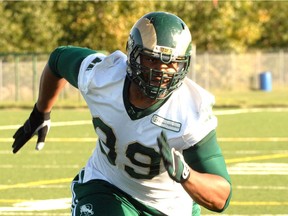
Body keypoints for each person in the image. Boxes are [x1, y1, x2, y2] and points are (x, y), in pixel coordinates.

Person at [12, 11, 232, 216]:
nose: (161, 71)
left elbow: (222, 197)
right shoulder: (102, 76)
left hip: (170, 206)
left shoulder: (189, 109)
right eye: (152, 59)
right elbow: (58, 59)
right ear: (133, 54)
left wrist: (186, 175)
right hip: (106, 184)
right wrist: (41, 111)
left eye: (172, 63)